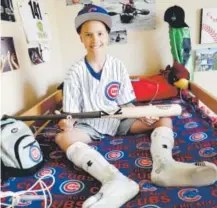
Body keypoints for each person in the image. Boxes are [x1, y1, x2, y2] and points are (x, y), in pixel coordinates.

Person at [55, 4, 217, 208]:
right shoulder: (74, 73)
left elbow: (126, 102)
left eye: (99, 33)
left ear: (107, 35)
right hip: (89, 125)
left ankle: (164, 167)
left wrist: (142, 114)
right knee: (62, 137)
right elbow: (70, 114)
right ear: (81, 38)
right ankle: (115, 180)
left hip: (120, 120)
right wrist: (67, 124)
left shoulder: (118, 66)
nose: (95, 40)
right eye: (88, 34)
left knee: (164, 119)